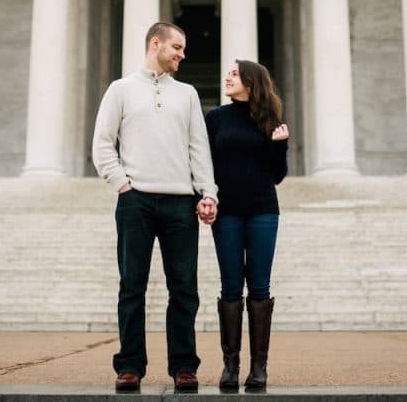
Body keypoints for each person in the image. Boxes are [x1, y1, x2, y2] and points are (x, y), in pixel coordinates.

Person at [92, 21, 219, 393]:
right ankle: (129, 366)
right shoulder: (120, 90)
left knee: (184, 288)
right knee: (132, 285)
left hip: (181, 202)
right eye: (177, 47)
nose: (182, 54)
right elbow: (102, 143)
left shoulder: (188, 94)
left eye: (183, 49)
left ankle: (184, 366)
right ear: (155, 43)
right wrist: (122, 185)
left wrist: (207, 192)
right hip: (136, 201)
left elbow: (199, 148)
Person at [204, 59, 289, 391]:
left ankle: (258, 368)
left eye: (235, 74)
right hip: (226, 211)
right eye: (229, 72)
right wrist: (204, 196)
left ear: (252, 83)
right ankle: (230, 366)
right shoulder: (215, 118)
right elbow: (205, 162)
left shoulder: (270, 120)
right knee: (229, 287)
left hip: (263, 210)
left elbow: (278, 175)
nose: (228, 77)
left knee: (259, 287)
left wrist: (279, 146)